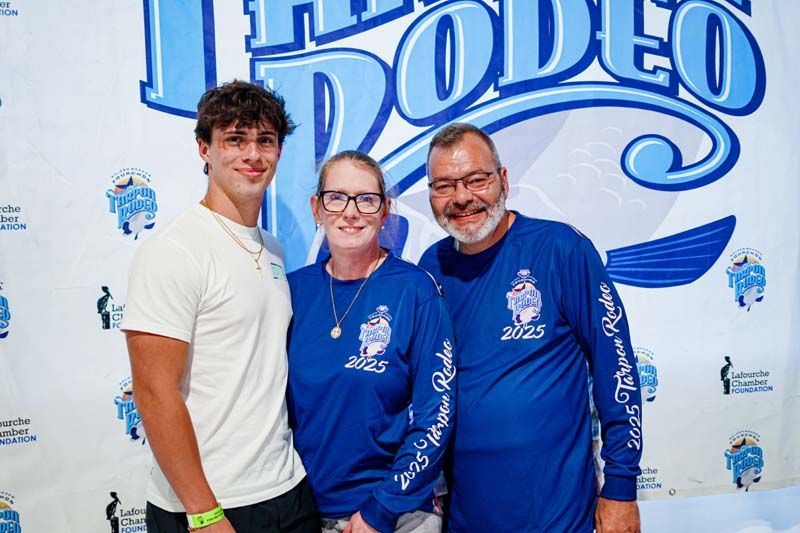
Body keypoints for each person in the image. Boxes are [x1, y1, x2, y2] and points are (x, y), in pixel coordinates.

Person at [418, 123, 643, 532]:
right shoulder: (429, 269)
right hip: (467, 518)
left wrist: (622, 488)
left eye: (476, 179)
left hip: (558, 516)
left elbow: (617, 367)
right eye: (444, 186)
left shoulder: (561, 249)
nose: (462, 197)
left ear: (503, 180)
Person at [121, 80, 318, 533]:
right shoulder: (174, 250)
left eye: (265, 140)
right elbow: (153, 393)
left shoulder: (272, 249)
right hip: (211, 507)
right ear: (203, 149)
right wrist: (204, 512)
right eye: (235, 139)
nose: (252, 154)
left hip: (287, 490)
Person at [286, 150, 456, 533]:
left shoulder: (415, 290)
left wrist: (381, 510)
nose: (350, 212)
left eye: (366, 199)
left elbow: (437, 414)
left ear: (384, 211)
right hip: (303, 511)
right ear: (317, 208)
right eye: (336, 197)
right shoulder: (293, 291)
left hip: (396, 515)